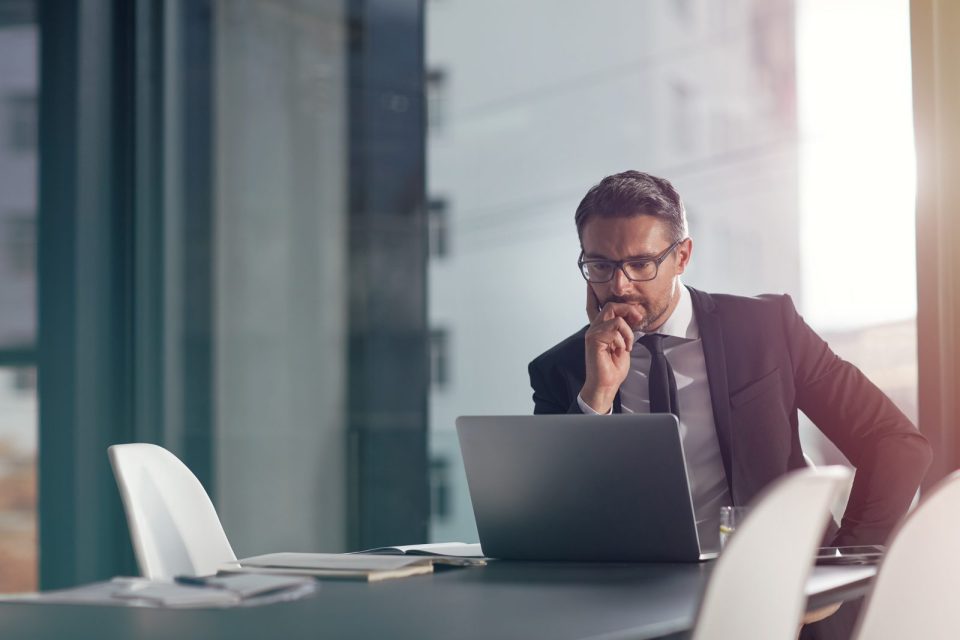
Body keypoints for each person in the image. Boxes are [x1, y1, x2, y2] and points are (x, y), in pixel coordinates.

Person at [527, 171, 932, 638]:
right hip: (638, 618)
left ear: (682, 256)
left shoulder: (766, 329)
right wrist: (595, 397)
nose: (618, 286)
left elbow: (896, 442)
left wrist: (838, 572)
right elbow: (553, 526)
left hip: (784, 610)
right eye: (599, 265)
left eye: (641, 264)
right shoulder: (561, 371)